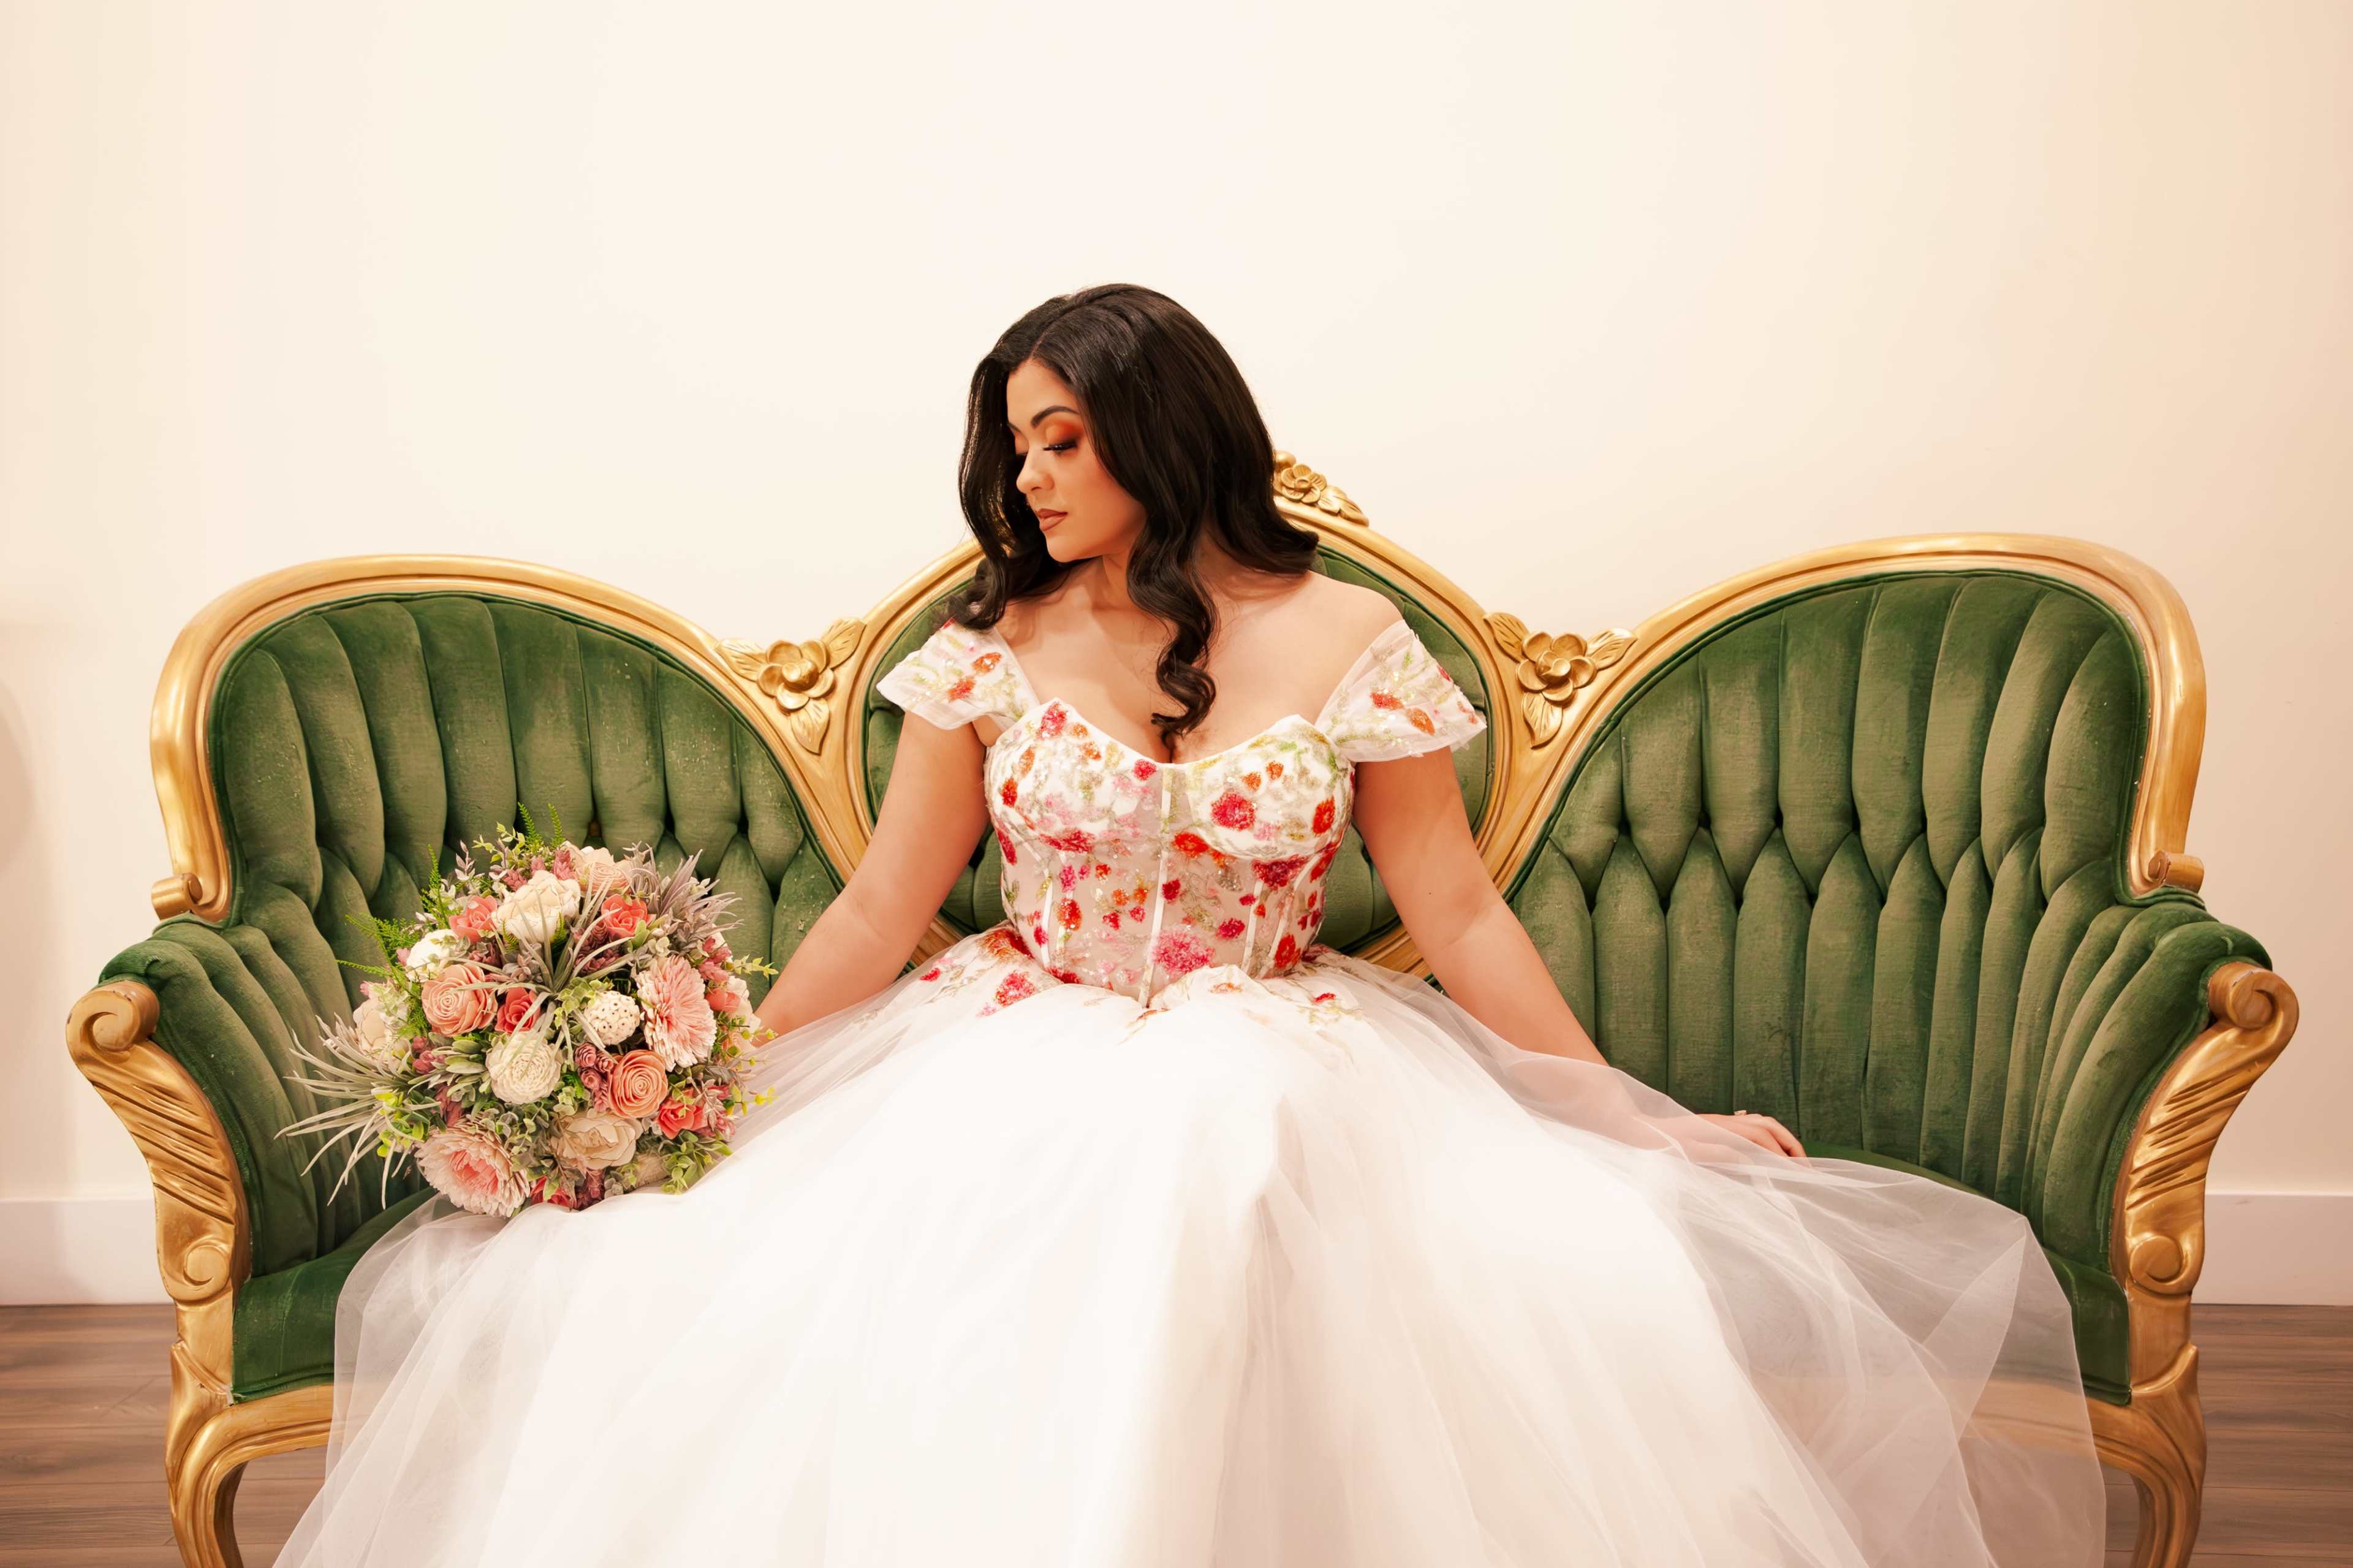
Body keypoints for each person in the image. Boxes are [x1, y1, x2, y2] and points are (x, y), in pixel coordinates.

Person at [277, 284, 2109, 1566]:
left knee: (1260, 1183)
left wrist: (1632, 1113)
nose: (1033, 480)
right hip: (1013, 1043)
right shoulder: (986, 657)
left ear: (1166, 430)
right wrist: (700, 1089)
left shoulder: (1343, 643)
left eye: (1066, 439)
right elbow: (879, 907)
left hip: (1282, 1049)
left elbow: (1456, 905)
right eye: (1017, 448)